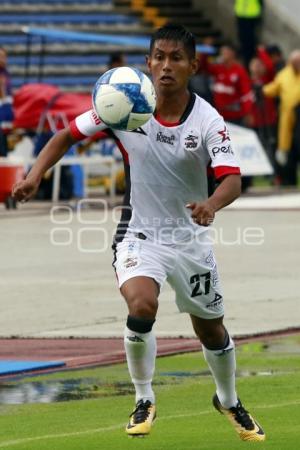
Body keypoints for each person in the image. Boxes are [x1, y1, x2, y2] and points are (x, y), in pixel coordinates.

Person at [12, 24, 265, 442]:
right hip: (140, 234)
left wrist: (211, 205)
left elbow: (232, 180)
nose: (166, 66)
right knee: (142, 305)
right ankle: (144, 398)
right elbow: (65, 136)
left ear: (193, 66)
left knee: (212, 330)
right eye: (159, 57)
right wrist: (34, 174)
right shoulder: (123, 105)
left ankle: (229, 399)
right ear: (147, 64)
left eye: (176, 58)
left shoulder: (207, 120)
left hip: (190, 240)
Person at [263, 49, 300, 185]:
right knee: (288, 150)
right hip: (287, 118)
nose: (297, 64)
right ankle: (288, 181)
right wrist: (262, 89)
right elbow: (274, 88)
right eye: (295, 62)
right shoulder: (284, 75)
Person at [234, 0, 263, 67]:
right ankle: (246, 60)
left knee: (249, 42)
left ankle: (248, 61)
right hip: (241, 14)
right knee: (242, 39)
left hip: (251, 15)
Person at [0, 47, 14, 157]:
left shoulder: (6, 73)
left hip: (7, 117)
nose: (3, 59)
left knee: (5, 151)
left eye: (4, 57)